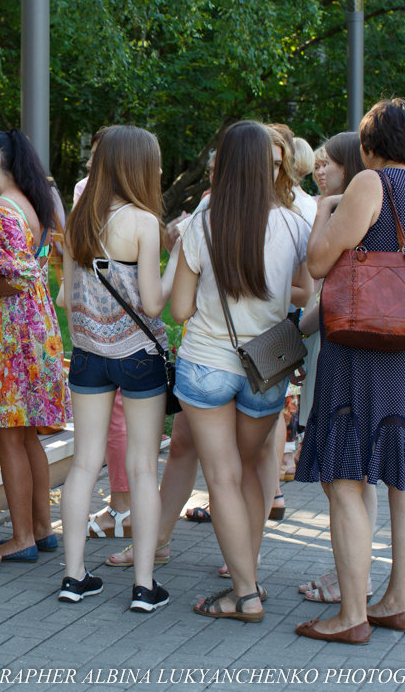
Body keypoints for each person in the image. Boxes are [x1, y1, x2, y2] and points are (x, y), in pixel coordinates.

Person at [295, 98, 405, 643]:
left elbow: (319, 261)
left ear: (368, 147)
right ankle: (396, 601)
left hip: (359, 349)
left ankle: (350, 615)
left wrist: (324, 211)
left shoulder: (371, 184)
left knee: (345, 478)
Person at [170, 120, 312, 623]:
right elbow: (304, 294)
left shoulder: (202, 225)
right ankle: (249, 578)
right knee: (252, 472)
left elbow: (180, 309)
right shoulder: (296, 225)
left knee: (222, 479)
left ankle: (245, 594)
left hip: (206, 363)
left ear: (224, 164)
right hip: (267, 367)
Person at [57, 125, 175, 610]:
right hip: (137, 357)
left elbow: (66, 297)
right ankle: (144, 586)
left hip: (88, 355)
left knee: (84, 463)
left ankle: (73, 576)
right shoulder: (144, 222)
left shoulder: (77, 218)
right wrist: (176, 262)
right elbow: (152, 304)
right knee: (144, 468)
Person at [0, 128, 71, 562]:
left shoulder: (0, 209)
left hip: (12, 331)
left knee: (9, 438)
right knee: (29, 438)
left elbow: (16, 277)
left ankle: (22, 537)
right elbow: (38, 271)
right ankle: (43, 530)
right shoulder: (36, 201)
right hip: (39, 326)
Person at [295, 131, 377, 604]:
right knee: (349, 478)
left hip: (341, 360)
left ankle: (354, 580)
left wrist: (325, 211)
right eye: (317, 163)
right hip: (330, 352)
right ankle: (350, 573)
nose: (319, 170)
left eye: (328, 163)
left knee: (342, 477)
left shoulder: (346, 218)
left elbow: (319, 274)